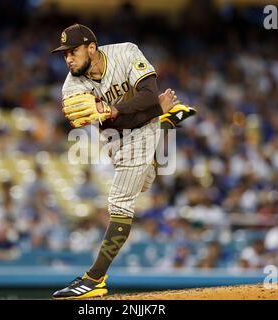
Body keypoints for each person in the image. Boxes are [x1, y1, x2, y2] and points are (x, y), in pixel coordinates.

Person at [50, 24, 196, 299]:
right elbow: (114, 125)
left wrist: (123, 109)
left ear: (91, 48)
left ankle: (95, 278)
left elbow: (149, 94)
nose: (68, 58)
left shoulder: (126, 52)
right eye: (64, 54)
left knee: (120, 200)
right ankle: (164, 123)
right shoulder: (72, 86)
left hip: (138, 131)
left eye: (73, 51)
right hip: (115, 137)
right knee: (142, 184)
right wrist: (155, 112)